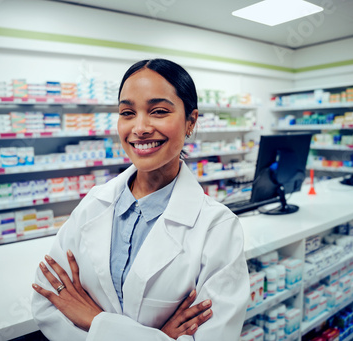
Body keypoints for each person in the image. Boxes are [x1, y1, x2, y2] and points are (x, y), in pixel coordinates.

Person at [31, 58, 249, 340]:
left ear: (190, 122)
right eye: (127, 112)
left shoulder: (218, 228)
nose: (140, 127)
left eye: (158, 111)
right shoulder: (93, 204)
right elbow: (47, 301)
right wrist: (160, 336)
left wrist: (94, 321)